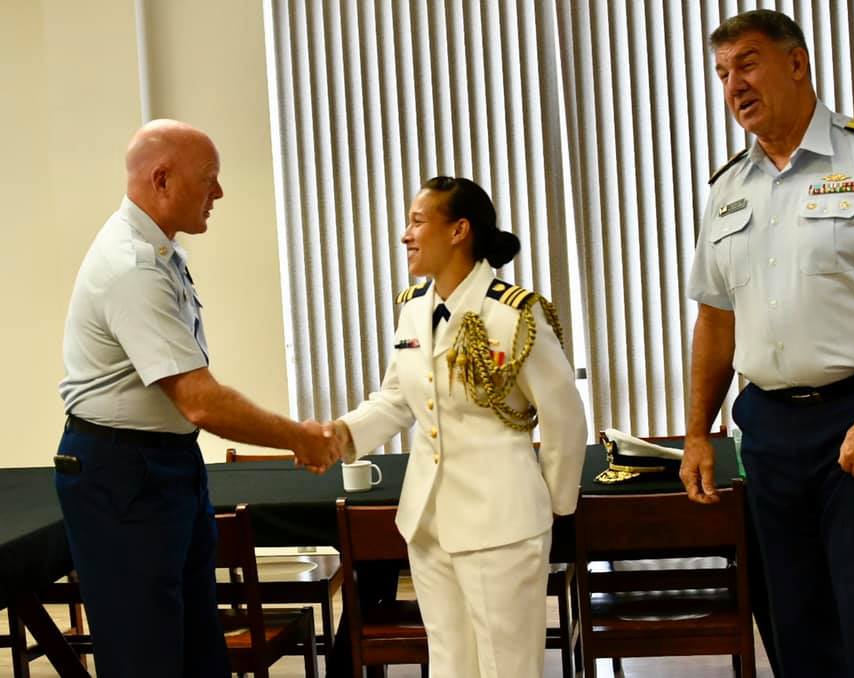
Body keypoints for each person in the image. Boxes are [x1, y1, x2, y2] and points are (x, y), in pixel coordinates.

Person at [681, 9, 854, 677]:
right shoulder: (727, 190)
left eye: (747, 64)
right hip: (770, 427)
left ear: (797, 63)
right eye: (722, 74)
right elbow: (717, 318)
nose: (734, 86)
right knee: (793, 622)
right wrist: (696, 433)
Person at [56, 119, 341, 678]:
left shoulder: (163, 253)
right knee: (147, 655)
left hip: (166, 464)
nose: (219, 193)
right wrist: (297, 437)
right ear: (162, 180)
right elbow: (201, 401)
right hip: (122, 472)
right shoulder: (131, 266)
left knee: (195, 647)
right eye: (209, 179)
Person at [328, 176, 587, 677]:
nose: (406, 234)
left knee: (508, 666)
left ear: (458, 231)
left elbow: (563, 416)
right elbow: (397, 398)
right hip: (429, 521)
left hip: (501, 520)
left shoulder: (511, 313)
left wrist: (551, 505)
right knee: (449, 664)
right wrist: (340, 435)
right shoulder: (413, 308)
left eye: (418, 221)